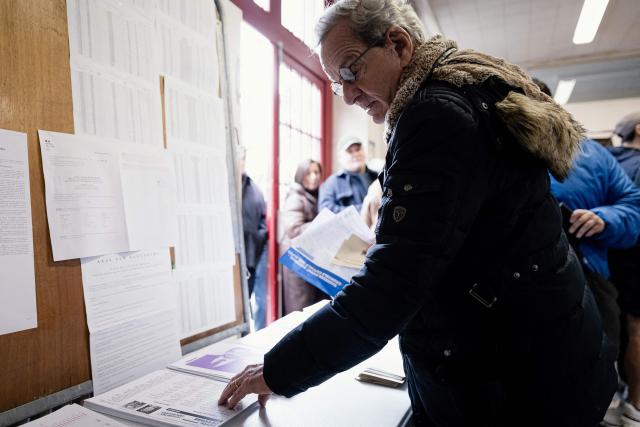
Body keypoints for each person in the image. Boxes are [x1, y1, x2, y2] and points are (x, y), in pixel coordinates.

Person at [219, 1, 617, 425]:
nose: (350, 95)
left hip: (520, 381)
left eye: (351, 72)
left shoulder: (437, 114)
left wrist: (279, 370)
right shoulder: (461, 90)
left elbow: (391, 287)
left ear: (398, 44)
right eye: (338, 84)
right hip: (541, 353)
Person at [608, 111, 640, 426]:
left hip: (602, 261)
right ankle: (635, 404)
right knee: (635, 328)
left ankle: (615, 389)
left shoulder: (606, 161)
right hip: (633, 260)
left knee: (614, 325)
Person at [281, 159, 326, 314]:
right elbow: (294, 229)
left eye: (316, 172)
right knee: (300, 308)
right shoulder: (296, 197)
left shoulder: (315, 195)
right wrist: (324, 225)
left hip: (310, 259)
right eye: (308, 173)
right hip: (297, 261)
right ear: (300, 175)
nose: (313, 177)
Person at [239, 146, 267, 327]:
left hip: (252, 257)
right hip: (231, 259)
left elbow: (261, 225)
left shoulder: (254, 190)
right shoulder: (223, 185)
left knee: (249, 303)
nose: (239, 161)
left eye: (242, 158)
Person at [318, 136, 378, 213]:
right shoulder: (331, 183)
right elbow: (325, 211)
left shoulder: (378, 178)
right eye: (350, 151)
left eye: (358, 149)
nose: (355, 154)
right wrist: (365, 209)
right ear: (340, 158)